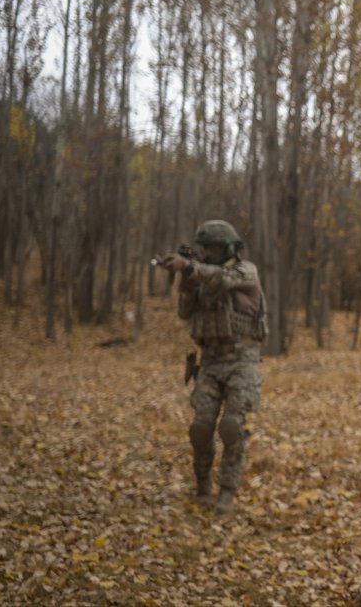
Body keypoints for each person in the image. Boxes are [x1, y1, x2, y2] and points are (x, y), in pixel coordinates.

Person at [158, 220, 267, 515]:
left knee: (231, 426)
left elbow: (223, 279)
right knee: (201, 428)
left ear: (227, 248)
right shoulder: (200, 275)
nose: (206, 254)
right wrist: (186, 279)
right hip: (210, 360)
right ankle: (203, 485)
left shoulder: (245, 270)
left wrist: (192, 268)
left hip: (242, 360)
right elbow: (185, 312)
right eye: (203, 249)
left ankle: (227, 491)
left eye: (212, 249)